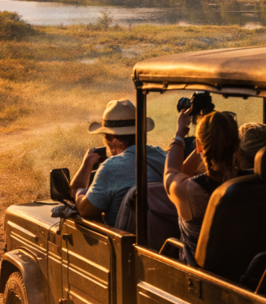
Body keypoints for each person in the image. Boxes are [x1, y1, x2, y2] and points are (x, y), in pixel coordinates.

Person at [71, 99, 167, 227]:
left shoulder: (111, 168)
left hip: (125, 243)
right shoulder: (163, 156)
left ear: (111, 138)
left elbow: (85, 211)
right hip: (163, 241)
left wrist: (79, 189)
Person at [165, 109, 243, 263]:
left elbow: (171, 173)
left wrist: (180, 134)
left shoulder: (190, 190)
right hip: (242, 269)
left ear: (198, 145)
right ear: (238, 144)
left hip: (199, 277)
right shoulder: (249, 180)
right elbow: (184, 171)